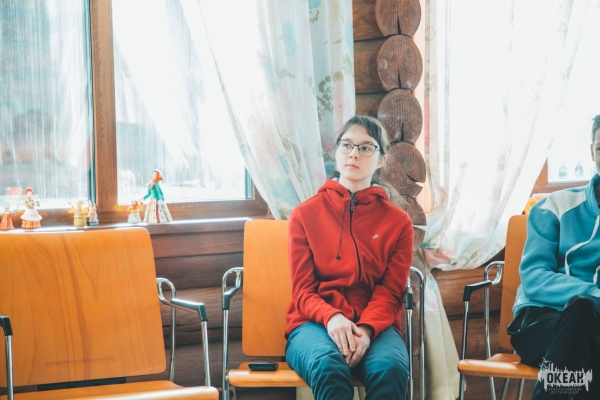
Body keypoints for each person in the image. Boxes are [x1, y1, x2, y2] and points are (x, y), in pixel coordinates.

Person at [284, 115, 414, 400]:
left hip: (376, 326)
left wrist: (365, 330)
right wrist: (333, 319)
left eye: (366, 147)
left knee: (390, 368)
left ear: (381, 160)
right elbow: (303, 291)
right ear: (337, 151)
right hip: (314, 324)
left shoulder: (399, 223)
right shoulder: (304, 215)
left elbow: (391, 291)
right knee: (328, 367)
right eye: (347, 145)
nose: (354, 153)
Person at [508, 114, 600, 400]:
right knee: (582, 312)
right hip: (540, 320)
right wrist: (593, 294)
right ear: (592, 152)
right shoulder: (553, 207)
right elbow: (535, 278)